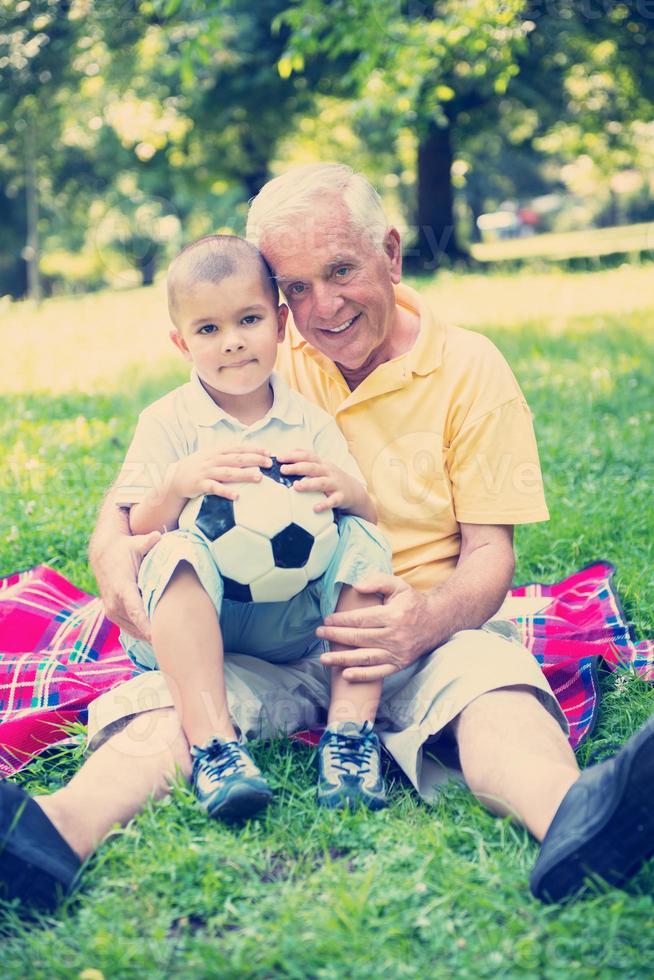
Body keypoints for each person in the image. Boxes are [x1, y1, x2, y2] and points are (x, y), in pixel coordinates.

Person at [1, 163, 653, 912]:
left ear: (393, 254)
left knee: (491, 684)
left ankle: (575, 819)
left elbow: (489, 555)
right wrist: (118, 570)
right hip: (255, 638)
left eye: (341, 270)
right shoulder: (257, 359)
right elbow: (122, 517)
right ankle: (49, 836)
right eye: (296, 287)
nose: (323, 308)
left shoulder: (469, 368)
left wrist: (422, 625)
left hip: (409, 630)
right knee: (166, 704)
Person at [112, 233, 392, 819]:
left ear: (281, 323)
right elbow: (136, 524)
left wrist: (353, 494)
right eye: (208, 330)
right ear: (180, 342)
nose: (233, 342)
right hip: (197, 619)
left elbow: (365, 514)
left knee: (364, 540)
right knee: (174, 549)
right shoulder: (167, 422)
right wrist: (177, 483)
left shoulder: (308, 423)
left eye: (249, 319)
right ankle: (216, 746)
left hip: (292, 624)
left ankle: (349, 738)